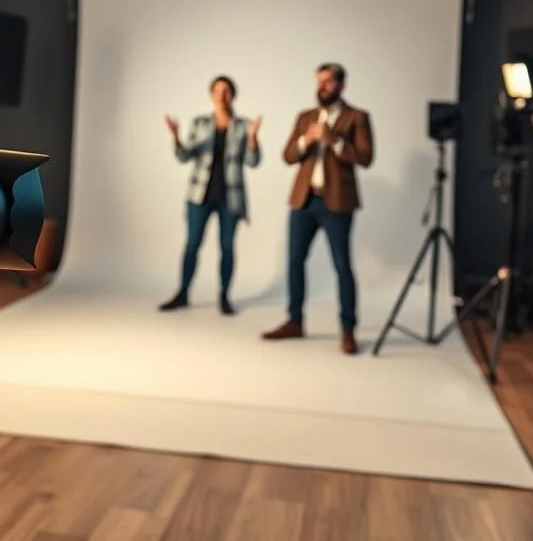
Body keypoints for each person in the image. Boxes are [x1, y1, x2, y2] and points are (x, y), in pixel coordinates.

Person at [265, 63, 373, 354]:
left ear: (341, 86)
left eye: (327, 82)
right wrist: (306, 139)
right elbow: (288, 156)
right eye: (319, 82)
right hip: (304, 200)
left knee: (342, 266)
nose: (321, 87)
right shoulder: (305, 117)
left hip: (336, 203)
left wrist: (334, 140)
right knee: (294, 261)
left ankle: (348, 330)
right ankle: (294, 321)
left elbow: (365, 157)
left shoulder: (357, 117)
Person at [159, 75, 262, 315]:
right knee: (192, 244)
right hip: (200, 194)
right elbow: (185, 157)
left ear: (232, 95)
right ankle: (183, 292)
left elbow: (253, 161)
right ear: (211, 95)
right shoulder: (200, 123)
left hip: (230, 196)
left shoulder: (244, 126)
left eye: (226, 91)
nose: (221, 95)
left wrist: (254, 139)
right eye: (216, 90)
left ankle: (224, 296)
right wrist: (175, 138)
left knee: (227, 246)